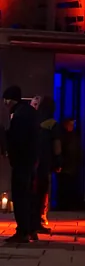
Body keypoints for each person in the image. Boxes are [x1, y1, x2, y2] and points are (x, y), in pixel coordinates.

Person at [3, 85, 40, 243]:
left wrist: (7, 142)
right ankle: (32, 229)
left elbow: (17, 140)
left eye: (5, 100)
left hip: (21, 162)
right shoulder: (30, 112)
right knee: (30, 196)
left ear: (9, 100)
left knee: (20, 196)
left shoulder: (18, 115)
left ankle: (23, 231)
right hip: (31, 160)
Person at [32, 96, 61, 234]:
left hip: (33, 160)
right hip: (45, 161)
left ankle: (31, 220)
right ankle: (38, 221)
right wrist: (58, 161)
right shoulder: (53, 124)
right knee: (42, 191)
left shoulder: (35, 121)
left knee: (33, 190)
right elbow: (56, 145)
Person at [58, 118, 82, 210]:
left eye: (73, 125)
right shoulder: (64, 136)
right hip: (66, 166)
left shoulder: (74, 136)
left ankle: (70, 204)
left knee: (71, 186)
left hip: (72, 166)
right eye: (70, 124)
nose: (72, 126)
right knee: (64, 186)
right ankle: (63, 204)